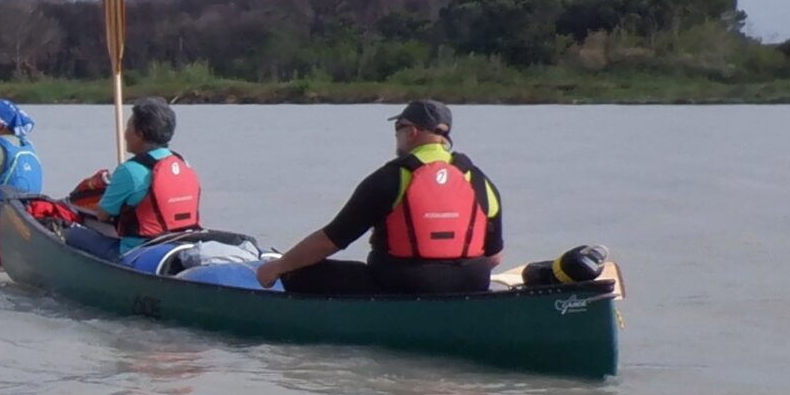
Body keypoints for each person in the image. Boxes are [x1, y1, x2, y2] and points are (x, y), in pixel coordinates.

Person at [252, 100, 504, 296]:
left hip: (403, 286)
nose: (396, 136)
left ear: (412, 132)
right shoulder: (478, 179)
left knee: (299, 271)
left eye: (398, 128)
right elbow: (494, 257)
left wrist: (278, 268)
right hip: (472, 284)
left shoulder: (392, 178)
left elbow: (331, 240)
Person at [64, 97, 201, 261]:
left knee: (70, 232)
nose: (125, 134)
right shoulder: (183, 163)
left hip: (137, 252)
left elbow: (103, 215)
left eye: (128, 127)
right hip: (181, 242)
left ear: (140, 134)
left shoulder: (129, 170)